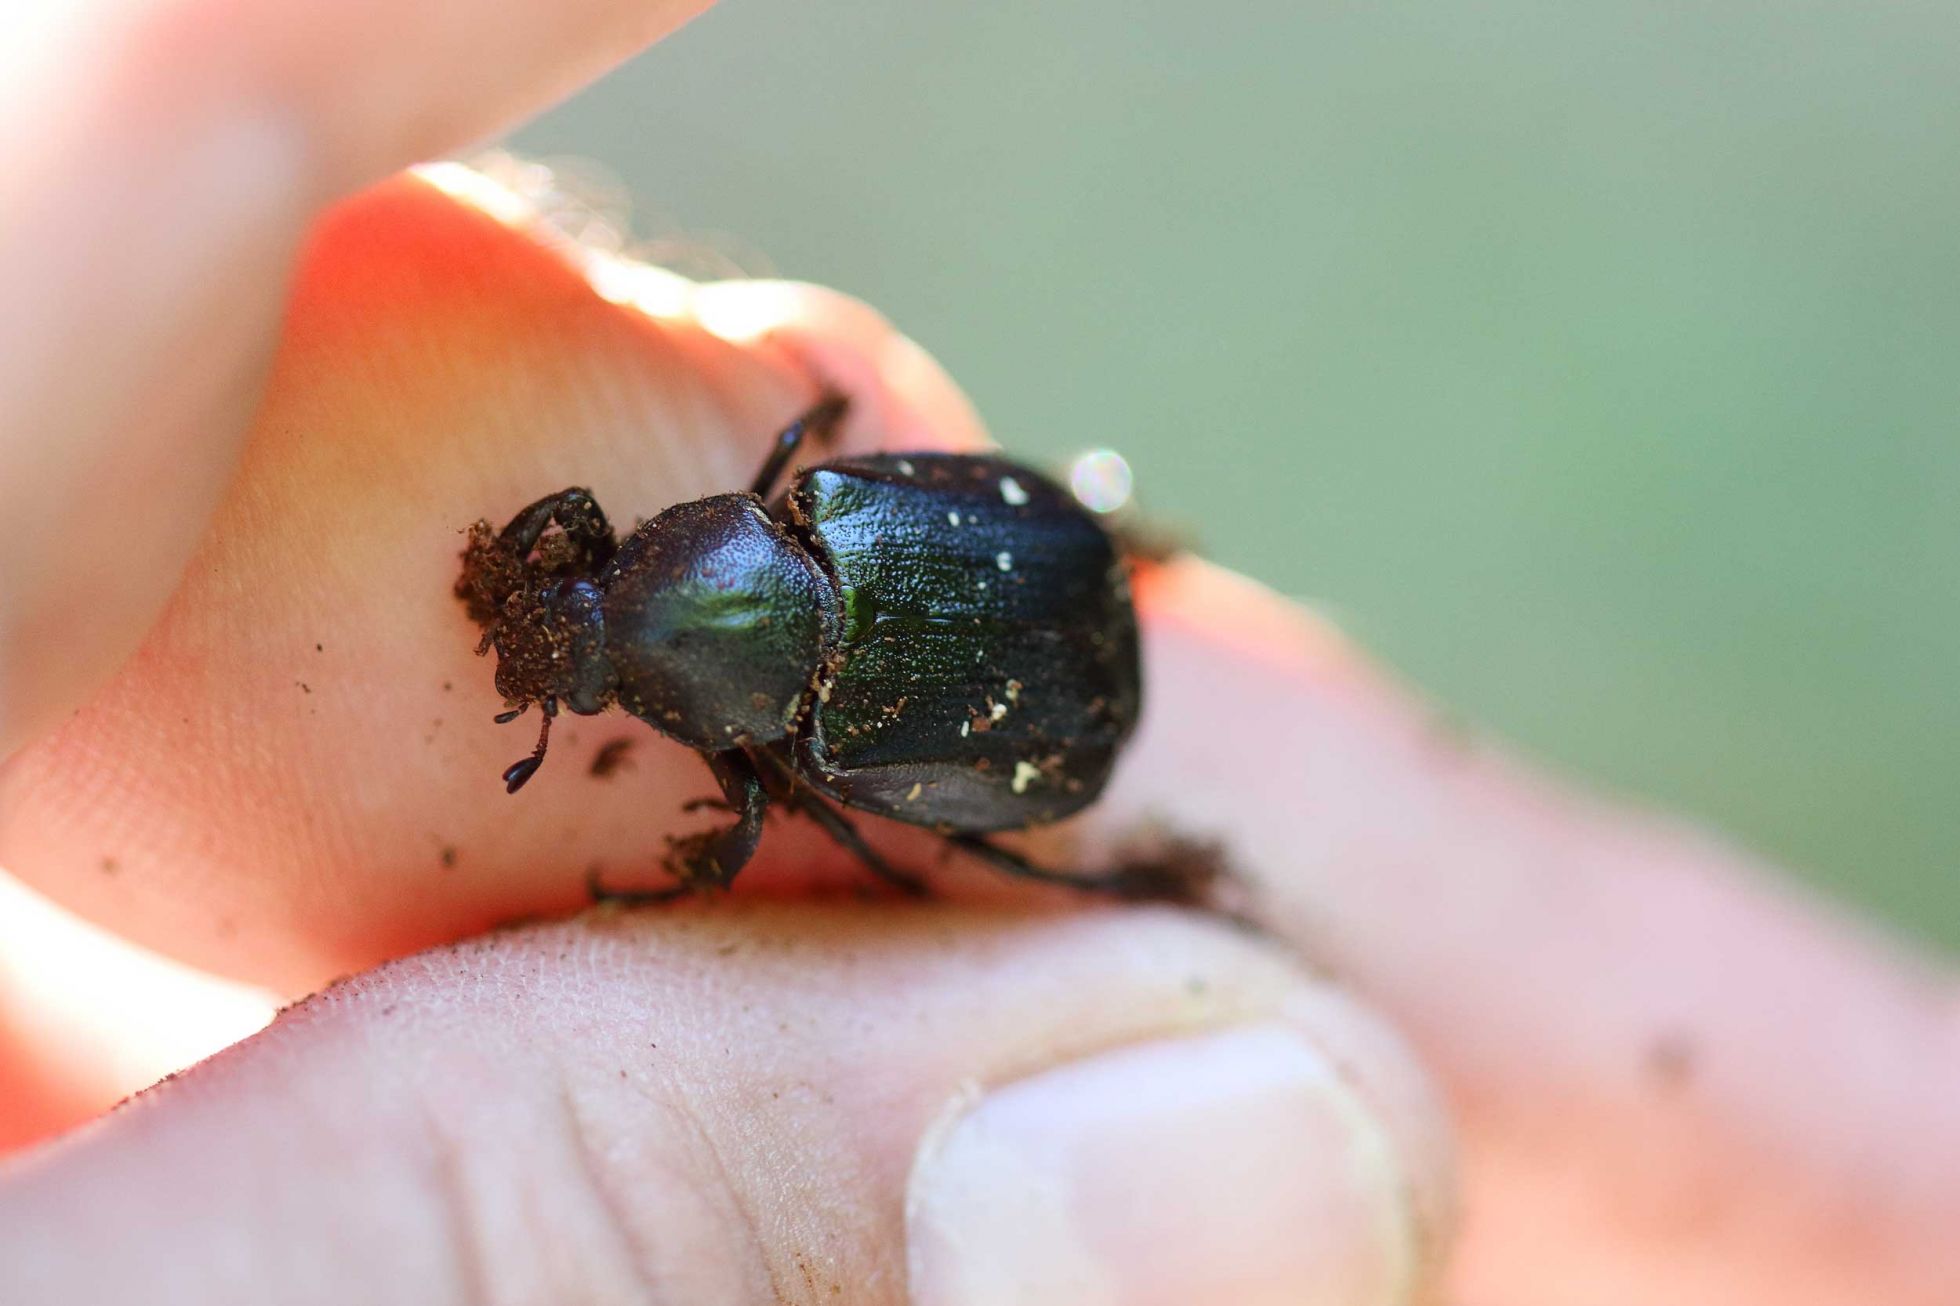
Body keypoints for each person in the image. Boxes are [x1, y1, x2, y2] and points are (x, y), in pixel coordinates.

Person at [0, 4, 1953, 1303]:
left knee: (904, 851)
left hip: (1043, 677)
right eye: (602, 655)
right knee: (906, 835)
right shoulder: (796, 501)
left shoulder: (781, 688)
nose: (586, 649)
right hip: (1030, 624)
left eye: (592, 644)